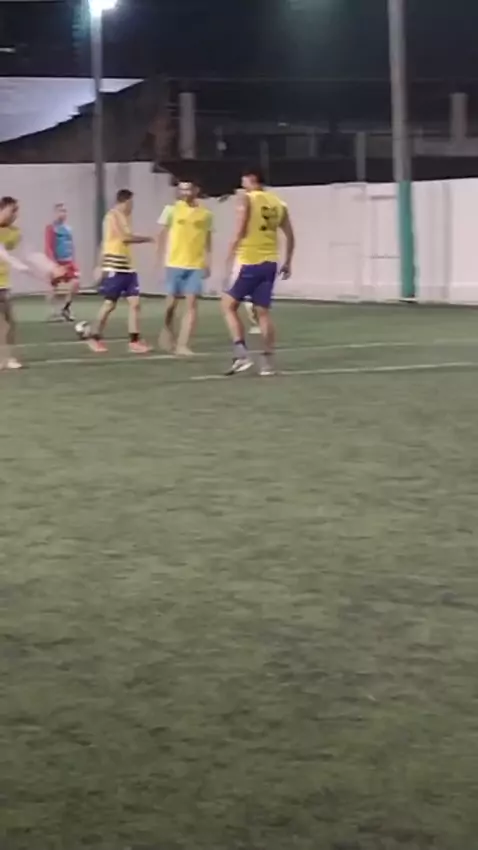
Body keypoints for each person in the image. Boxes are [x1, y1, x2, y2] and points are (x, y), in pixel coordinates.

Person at [221, 168, 295, 376]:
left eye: (243, 180)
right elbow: (291, 236)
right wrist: (288, 262)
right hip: (270, 262)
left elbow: (240, 230)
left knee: (228, 306)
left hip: (249, 260)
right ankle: (268, 364)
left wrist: (228, 256)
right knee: (263, 312)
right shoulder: (278, 203)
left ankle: (241, 354)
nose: (241, 184)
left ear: (251, 179)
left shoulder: (247, 199)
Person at [86, 189, 153, 354]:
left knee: (135, 304)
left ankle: (134, 341)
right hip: (115, 266)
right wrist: (147, 238)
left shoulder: (125, 218)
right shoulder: (112, 216)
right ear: (126, 201)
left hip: (128, 267)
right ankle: (94, 337)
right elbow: (124, 238)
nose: (132, 206)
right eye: (131, 203)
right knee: (109, 304)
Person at [156, 181, 212, 356]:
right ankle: (167, 332)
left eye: (188, 189)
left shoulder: (206, 214)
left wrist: (208, 261)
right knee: (171, 305)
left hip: (195, 265)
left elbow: (208, 239)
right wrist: (159, 260)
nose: (184, 193)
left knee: (192, 304)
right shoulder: (170, 210)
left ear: (196, 190)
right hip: (174, 264)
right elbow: (162, 236)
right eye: (181, 189)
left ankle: (183, 344)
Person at [45, 203, 80, 322]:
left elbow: (71, 245)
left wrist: (73, 260)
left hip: (69, 262)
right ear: (55, 213)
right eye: (60, 211)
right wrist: (53, 264)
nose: (63, 213)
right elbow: (48, 246)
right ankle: (53, 312)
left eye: (64, 211)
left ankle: (66, 308)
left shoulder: (68, 228)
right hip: (57, 262)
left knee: (76, 283)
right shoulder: (51, 228)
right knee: (53, 287)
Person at [0, 196, 23, 370]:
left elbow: (27, 252)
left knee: (9, 322)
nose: (15, 214)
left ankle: (8, 358)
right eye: (12, 210)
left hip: (3, 283)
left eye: (16, 211)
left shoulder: (14, 232)